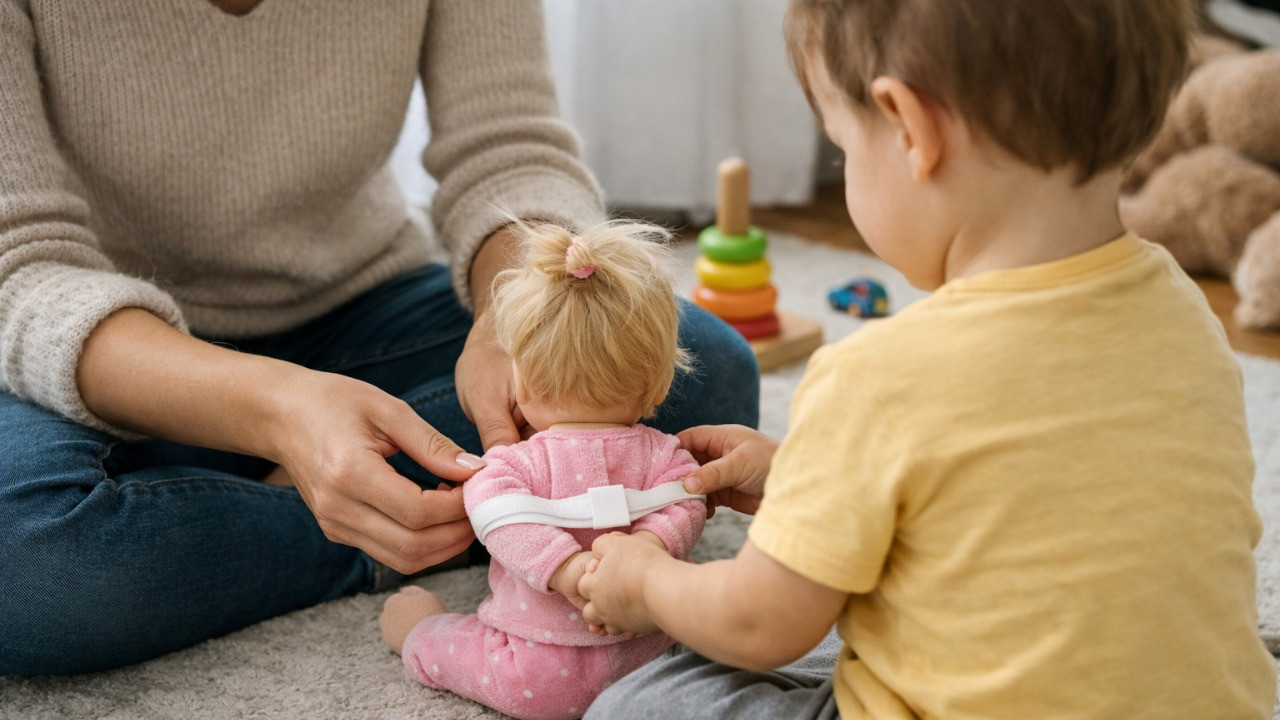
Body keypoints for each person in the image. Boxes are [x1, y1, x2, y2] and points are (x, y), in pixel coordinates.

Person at [0, 0, 758, 675]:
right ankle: (379, 513)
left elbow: (508, 146)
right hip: (108, 350)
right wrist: (275, 410)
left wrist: (508, 315)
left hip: (365, 297)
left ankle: (242, 512)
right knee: (25, 563)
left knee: (706, 375)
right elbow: (20, 263)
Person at [578, 0, 1278, 718]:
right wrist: (809, 476)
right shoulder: (1185, 312)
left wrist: (646, 581)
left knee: (654, 693)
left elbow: (759, 625)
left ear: (910, 128)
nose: (844, 167)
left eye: (843, 149)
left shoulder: (877, 377)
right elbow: (1034, 485)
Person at [379, 218, 708, 720]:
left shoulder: (507, 466)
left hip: (536, 673)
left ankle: (418, 632)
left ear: (523, 387)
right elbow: (690, 501)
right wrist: (650, 545)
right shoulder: (668, 455)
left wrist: (566, 569)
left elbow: (501, 522)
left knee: (453, 649)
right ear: (657, 387)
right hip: (654, 652)